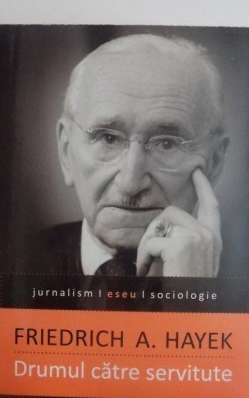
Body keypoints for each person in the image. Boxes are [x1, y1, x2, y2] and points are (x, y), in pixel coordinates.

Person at [37, 34, 229, 277]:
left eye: (167, 144)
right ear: (66, 151)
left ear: (214, 162)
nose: (130, 183)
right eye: (108, 138)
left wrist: (189, 292)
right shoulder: (9, 264)